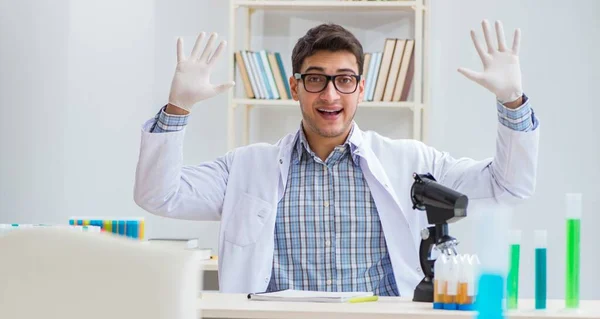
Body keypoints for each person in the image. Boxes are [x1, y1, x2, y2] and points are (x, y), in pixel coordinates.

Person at [134, 21, 539, 297]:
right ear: (295, 86)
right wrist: (178, 108)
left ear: (361, 88)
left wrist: (511, 101)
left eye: (344, 80)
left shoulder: (412, 161)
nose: (330, 95)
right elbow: (158, 195)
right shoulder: (245, 167)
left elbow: (507, 186)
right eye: (315, 79)